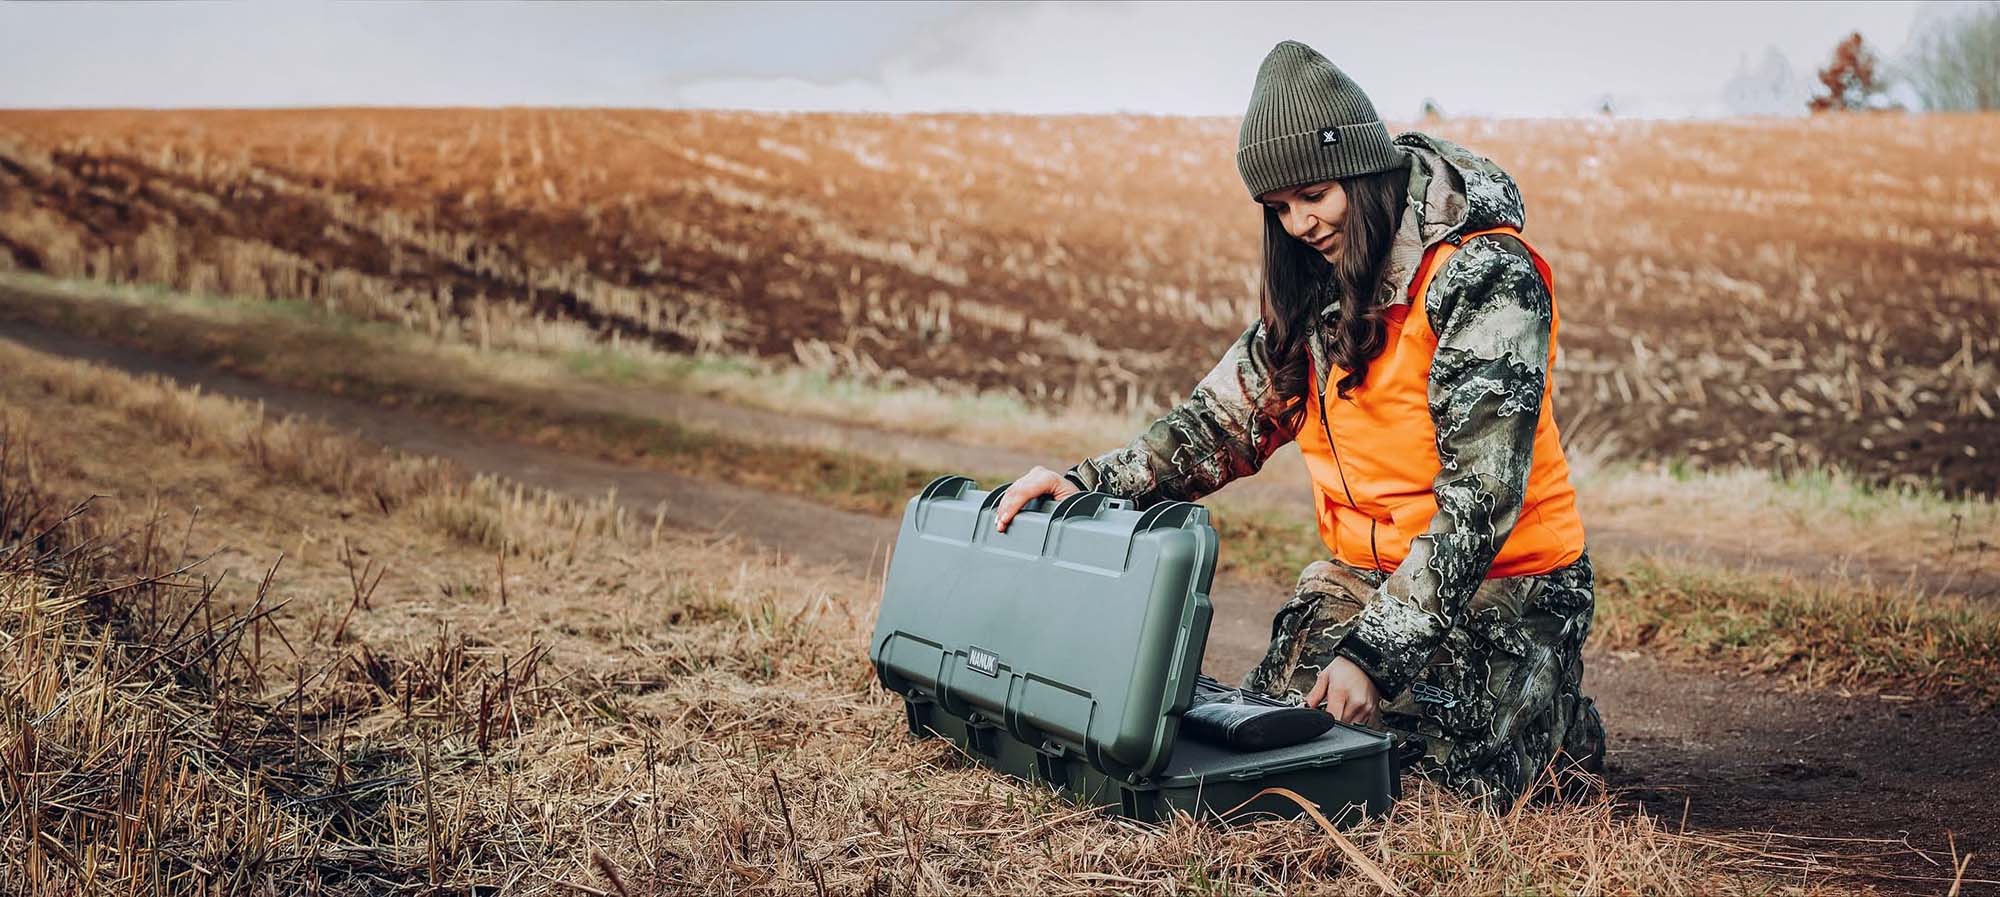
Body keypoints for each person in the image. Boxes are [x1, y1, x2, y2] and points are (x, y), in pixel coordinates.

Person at [992, 40, 1605, 811]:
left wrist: (1372, 659)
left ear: (1363, 170)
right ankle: (1491, 700)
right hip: (1364, 579)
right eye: (1278, 209)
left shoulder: (1484, 274)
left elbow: (1479, 500)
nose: (1300, 223)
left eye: (1314, 194)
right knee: (1271, 762)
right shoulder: (1320, 283)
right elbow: (1217, 424)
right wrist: (1085, 482)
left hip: (1507, 581)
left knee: (1420, 791)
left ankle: (1555, 715)